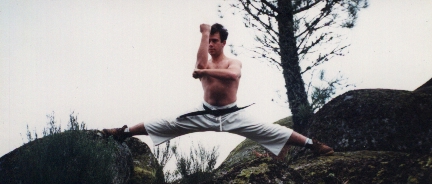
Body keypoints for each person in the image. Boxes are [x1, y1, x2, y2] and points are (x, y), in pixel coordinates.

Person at [101, 23, 333, 160]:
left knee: (273, 131)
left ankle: (314, 145)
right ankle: (123, 132)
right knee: (164, 123)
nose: (210, 44)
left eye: (214, 41)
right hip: (204, 113)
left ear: (223, 43)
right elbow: (200, 67)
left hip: (233, 114)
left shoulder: (233, 62)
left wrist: (204, 73)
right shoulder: (206, 65)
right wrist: (202, 35)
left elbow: (233, 76)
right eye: (208, 41)